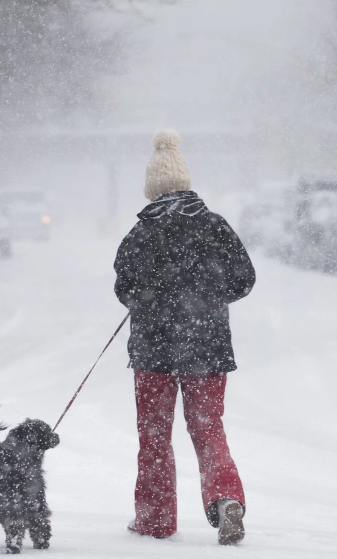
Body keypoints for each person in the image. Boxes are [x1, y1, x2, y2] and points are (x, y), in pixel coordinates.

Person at [114, 129, 256, 546]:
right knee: (208, 427)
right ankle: (226, 498)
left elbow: (124, 288)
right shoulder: (214, 226)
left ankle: (155, 520)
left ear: (153, 189)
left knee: (154, 435)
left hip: (152, 350)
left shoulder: (142, 233)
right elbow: (244, 279)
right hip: (206, 346)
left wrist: (151, 300)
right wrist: (208, 301)